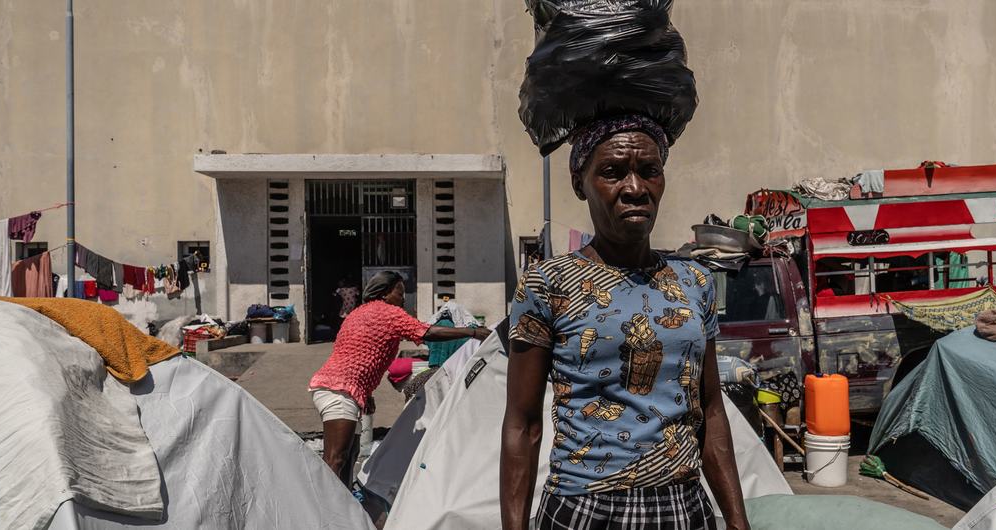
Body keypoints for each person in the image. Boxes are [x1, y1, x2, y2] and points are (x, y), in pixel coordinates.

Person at [501, 116, 750, 530]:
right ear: (580, 183)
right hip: (584, 508)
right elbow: (522, 424)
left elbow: (710, 412)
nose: (635, 189)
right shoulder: (548, 284)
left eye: (649, 171)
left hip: (684, 508)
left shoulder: (695, 281)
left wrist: (738, 522)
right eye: (613, 173)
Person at [309, 271, 490, 485]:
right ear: (385, 293)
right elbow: (425, 332)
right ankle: (324, 511)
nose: (403, 298)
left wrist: (365, 393)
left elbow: (356, 354)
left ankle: (345, 506)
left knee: (351, 453)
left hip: (338, 389)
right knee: (335, 459)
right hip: (339, 392)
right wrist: (471, 332)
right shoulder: (388, 313)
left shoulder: (359, 313)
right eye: (400, 292)